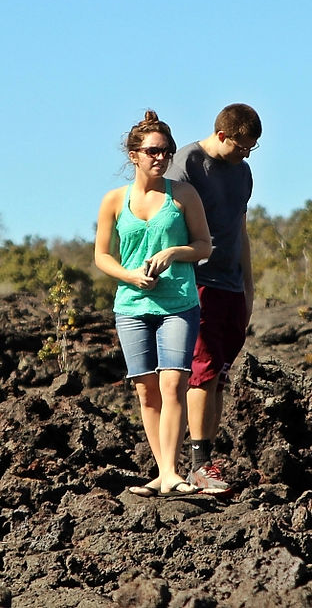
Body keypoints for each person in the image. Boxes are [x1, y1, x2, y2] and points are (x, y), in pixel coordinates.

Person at [95, 111, 212, 498]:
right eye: (152, 151)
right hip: (131, 305)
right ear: (134, 155)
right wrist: (129, 276)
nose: (160, 158)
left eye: (166, 151)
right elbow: (102, 256)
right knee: (147, 390)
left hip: (178, 301)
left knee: (174, 381)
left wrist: (174, 252)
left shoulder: (184, 195)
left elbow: (204, 245)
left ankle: (172, 473)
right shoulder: (114, 200)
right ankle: (162, 473)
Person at [165, 103, 262, 494]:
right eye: (242, 146)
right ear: (222, 135)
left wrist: (249, 286)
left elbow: (240, 228)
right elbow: (166, 222)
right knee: (201, 371)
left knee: (218, 375)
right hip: (196, 281)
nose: (246, 155)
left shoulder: (243, 173)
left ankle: (207, 462)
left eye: (252, 149)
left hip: (230, 285)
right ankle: (199, 464)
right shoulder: (186, 163)